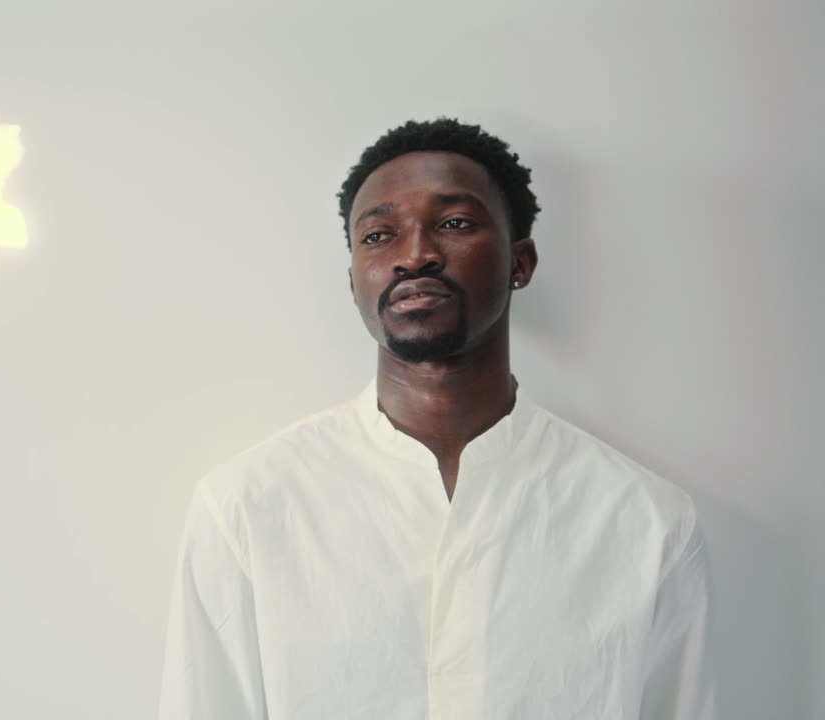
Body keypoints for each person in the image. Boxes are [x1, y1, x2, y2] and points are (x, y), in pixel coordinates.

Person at [156, 118, 714, 719]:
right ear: (353, 283)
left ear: (520, 262)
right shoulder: (247, 508)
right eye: (378, 236)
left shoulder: (646, 523)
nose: (415, 255)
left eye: (454, 224)